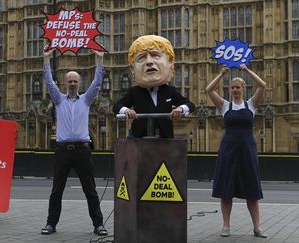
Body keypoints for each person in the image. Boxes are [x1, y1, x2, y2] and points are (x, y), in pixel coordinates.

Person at [40, 46, 108, 236]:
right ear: (65, 83)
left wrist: (99, 61)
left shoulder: (86, 100)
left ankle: (98, 225)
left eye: (75, 81)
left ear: (79, 83)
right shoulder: (58, 100)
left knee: (90, 190)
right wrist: (46, 59)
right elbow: (48, 81)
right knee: (56, 190)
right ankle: (51, 224)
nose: (72, 84)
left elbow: (97, 82)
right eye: (69, 81)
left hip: (82, 150)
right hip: (62, 150)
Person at [206, 64, 267, 238]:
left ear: (243, 89)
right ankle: (226, 226)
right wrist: (221, 74)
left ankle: (257, 227)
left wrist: (246, 71)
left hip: (247, 150)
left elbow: (262, 85)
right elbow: (208, 89)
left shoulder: (251, 105)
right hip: (228, 150)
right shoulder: (225, 106)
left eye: (237, 87)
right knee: (226, 190)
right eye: (232, 87)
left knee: (252, 191)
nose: (234, 90)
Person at [113, 35, 195, 138]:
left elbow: (190, 105)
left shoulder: (169, 91)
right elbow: (117, 106)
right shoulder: (134, 92)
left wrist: (181, 109)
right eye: (141, 58)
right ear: (132, 69)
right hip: (139, 137)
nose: (149, 62)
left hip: (165, 137)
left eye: (156, 56)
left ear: (170, 64)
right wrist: (126, 110)